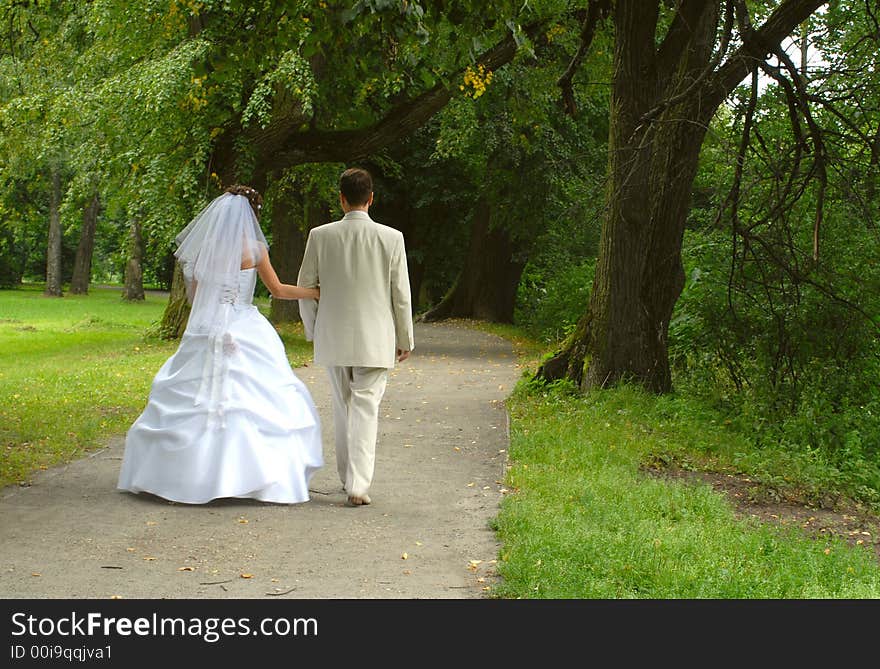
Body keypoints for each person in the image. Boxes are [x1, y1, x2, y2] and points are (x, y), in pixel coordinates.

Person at [117, 185, 324, 504]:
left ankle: (182, 475)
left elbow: (197, 297)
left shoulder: (205, 248)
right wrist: (315, 292)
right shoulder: (255, 250)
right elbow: (279, 290)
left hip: (207, 325)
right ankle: (248, 477)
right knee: (254, 397)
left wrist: (212, 321)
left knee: (196, 398)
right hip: (243, 324)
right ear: (253, 215)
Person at [297, 167, 414, 507]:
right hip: (375, 338)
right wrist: (405, 337)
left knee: (342, 406)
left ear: (341, 198)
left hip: (333, 335)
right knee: (365, 408)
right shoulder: (392, 238)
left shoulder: (320, 236)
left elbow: (307, 289)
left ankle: (349, 477)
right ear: (371, 197)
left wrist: (313, 329)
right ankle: (357, 484)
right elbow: (400, 294)